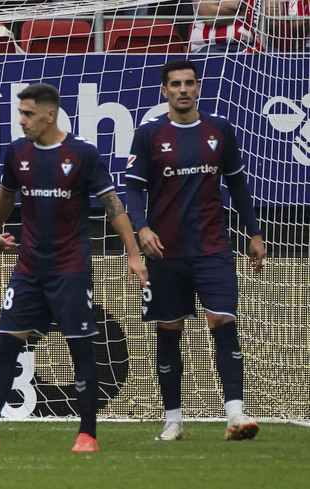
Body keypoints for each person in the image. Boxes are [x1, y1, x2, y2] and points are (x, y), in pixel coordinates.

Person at [0, 83, 148, 453]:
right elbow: (5, 195)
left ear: (50, 114)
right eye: (20, 113)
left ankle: (87, 435)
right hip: (28, 270)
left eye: (28, 114)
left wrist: (133, 253)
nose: (21, 121)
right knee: (4, 346)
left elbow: (113, 205)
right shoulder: (17, 152)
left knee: (81, 349)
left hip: (69, 269)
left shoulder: (82, 153)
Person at [124, 59, 266, 441]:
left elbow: (237, 185)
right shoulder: (149, 134)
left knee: (223, 323)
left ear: (198, 87)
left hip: (213, 247)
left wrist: (253, 233)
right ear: (164, 91)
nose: (183, 89)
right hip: (165, 252)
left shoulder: (220, 130)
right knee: (169, 331)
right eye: (176, 84)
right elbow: (133, 189)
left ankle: (235, 415)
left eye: (189, 83)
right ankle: (174, 420)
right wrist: (142, 229)